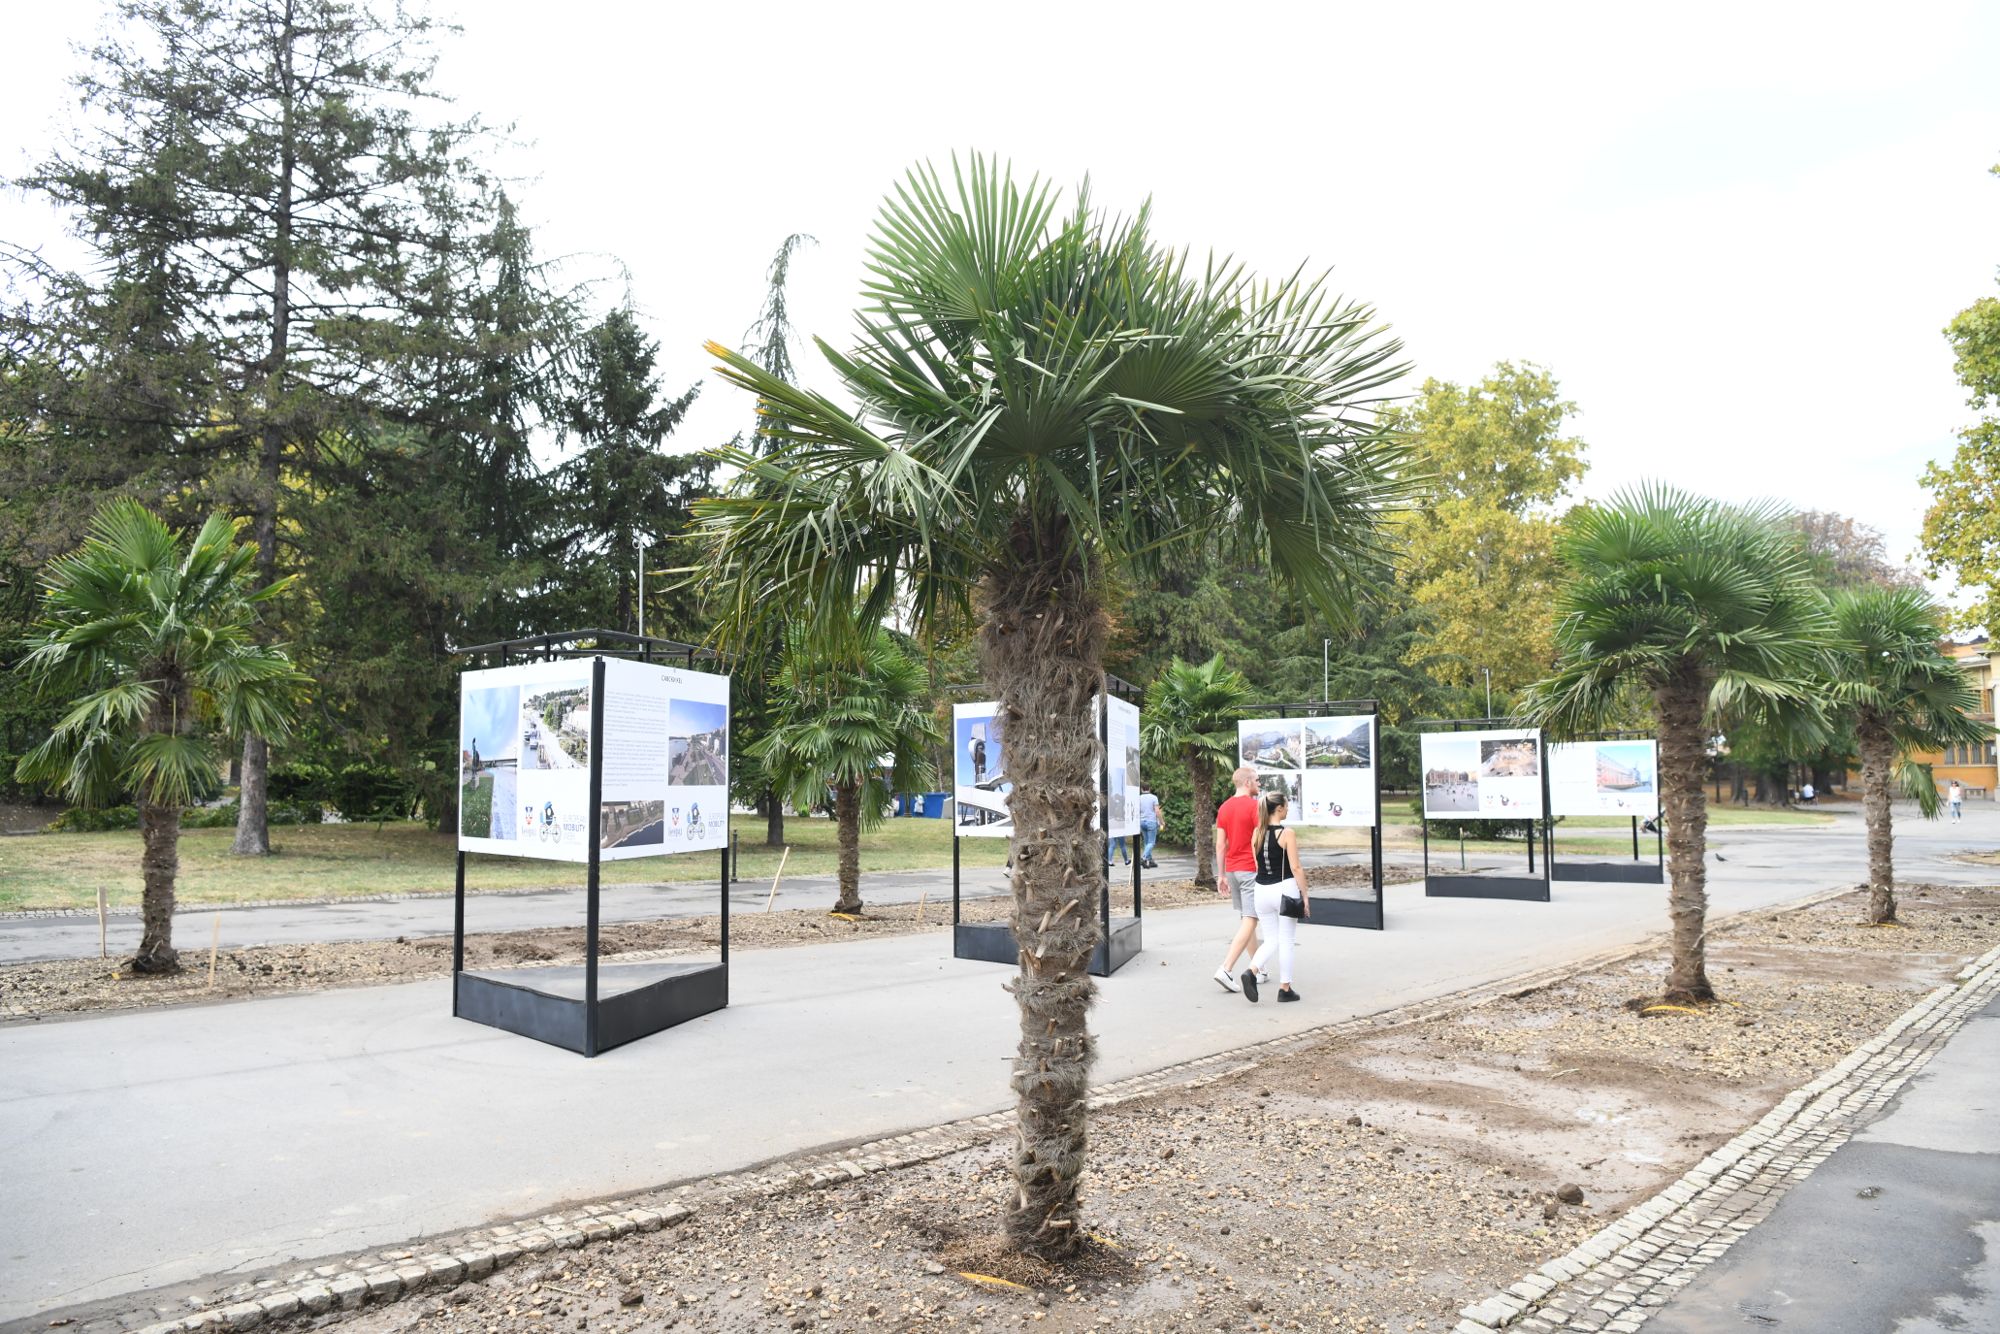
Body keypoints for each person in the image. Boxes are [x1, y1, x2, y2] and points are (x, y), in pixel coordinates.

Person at [1243, 790, 1306, 1002]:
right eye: (1286, 806)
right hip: (1283, 889)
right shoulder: (1287, 833)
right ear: (1279, 809)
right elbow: (1295, 867)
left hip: (1261, 890)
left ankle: (1251, 971)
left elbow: (1257, 864)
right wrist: (1304, 895)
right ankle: (1285, 988)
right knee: (1287, 940)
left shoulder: (1256, 833)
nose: (1288, 809)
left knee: (1271, 939)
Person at [1211, 766, 1263, 993]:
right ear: (1247, 782)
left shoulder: (1224, 807)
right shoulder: (1255, 806)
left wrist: (1221, 874)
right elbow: (1259, 841)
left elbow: (1220, 844)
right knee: (1251, 918)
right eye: (1257, 781)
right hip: (1250, 869)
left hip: (1232, 869)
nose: (1259, 785)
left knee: (1246, 918)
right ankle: (1226, 968)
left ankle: (1257, 969)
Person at [1136, 786, 1161, 868]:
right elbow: (1157, 811)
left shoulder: (1138, 798)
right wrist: (1161, 821)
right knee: (1151, 842)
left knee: (1147, 843)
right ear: (1149, 789)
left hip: (1142, 822)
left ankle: (1150, 861)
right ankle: (1143, 858)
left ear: (1141, 789)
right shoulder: (1154, 798)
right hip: (1151, 822)